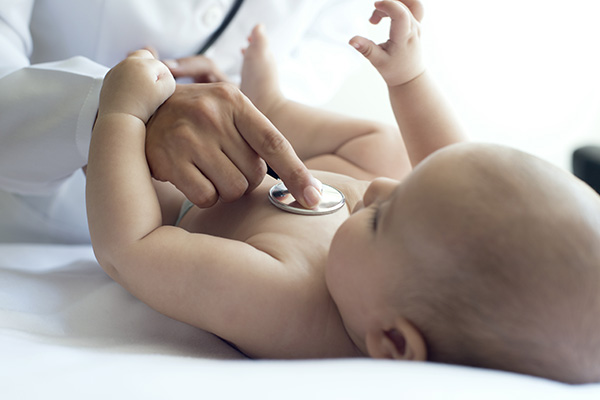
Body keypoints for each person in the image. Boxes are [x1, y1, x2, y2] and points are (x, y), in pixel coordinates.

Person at [85, 0, 600, 384]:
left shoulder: (287, 300)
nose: (375, 191)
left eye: (382, 218)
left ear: (393, 342)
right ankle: (272, 109)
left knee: (140, 177)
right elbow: (452, 166)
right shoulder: (396, 279)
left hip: (189, 193)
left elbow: (132, 248)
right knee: (383, 148)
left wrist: (122, 113)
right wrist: (409, 78)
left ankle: (251, 114)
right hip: (288, 176)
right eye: (403, 191)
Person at [0, 0, 371, 243]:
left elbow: (314, 66)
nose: (384, 192)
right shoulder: (373, 157)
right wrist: (117, 109)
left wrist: (239, 102)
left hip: (179, 226)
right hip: (23, 218)